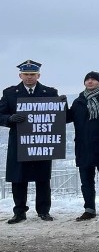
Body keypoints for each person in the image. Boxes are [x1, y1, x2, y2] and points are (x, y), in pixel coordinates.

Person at [0, 60, 61, 223]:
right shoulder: (10, 93)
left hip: (42, 142)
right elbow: (0, 115)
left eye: (32, 74)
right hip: (19, 143)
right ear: (20, 75)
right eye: (26, 74)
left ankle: (43, 211)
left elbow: (59, 115)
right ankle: (19, 212)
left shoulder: (49, 93)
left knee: (42, 178)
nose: (29, 77)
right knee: (18, 178)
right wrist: (10, 118)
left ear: (38, 75)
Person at [67, 71, 99, 222]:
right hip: (83, 147)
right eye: (87, 79)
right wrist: (62, 105)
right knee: (86, 181)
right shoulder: (78, 102)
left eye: (93, 79)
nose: (90, 82)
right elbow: (66, 118)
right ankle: (89, 209)